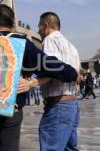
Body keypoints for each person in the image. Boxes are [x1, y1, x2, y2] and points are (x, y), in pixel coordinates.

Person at [0, 4, 79, 151]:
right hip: (12, 107)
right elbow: (48, 64)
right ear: (13, 23)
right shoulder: (23, 43)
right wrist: (71, 73)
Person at [34, 12, 81, 151]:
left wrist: (33, 82)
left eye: (39, 27)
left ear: (46, 26)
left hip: (58, 106)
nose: (38, 31)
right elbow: (77, 76)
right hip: (72, 105)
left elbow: (52, 68)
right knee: (70, 148)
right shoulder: (72, 47)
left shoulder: (49, 41)